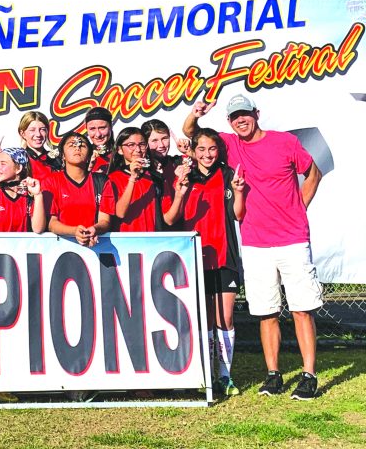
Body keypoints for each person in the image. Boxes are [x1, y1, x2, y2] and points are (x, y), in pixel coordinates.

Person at [183, 94, 324, 401]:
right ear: (229, 122)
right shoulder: (229, 145)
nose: (241, 120)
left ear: (256, 114)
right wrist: (195, 113)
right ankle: (273, 375)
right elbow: (191, 133)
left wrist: (301, 206)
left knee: (301, 310)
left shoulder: (283, 142)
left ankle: (309, 375)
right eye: (235, 117)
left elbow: (314, 172)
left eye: (245, 114)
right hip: (255, 242)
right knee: (266, 312)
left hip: (293, 239)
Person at [181, 128, 245, 396]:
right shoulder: (185, 176)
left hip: (224, 255)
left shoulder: (229, 175)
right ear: (193, 152)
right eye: (202, 149)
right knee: (204, 318)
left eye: (212, 149)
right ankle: (206, 373)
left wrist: (238, 192)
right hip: (195, 256)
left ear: (218, 151)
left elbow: (237, 215)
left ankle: (225, 375)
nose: (207, 154)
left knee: (225, 317)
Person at [107, 127, 188, 232]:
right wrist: (132, 178)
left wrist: (179, 195)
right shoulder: (112, 178)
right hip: (125, 244)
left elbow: (169, 220)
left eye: (142, 144)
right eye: (131, 145)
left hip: (153, 243)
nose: (138, 150)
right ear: (119, 150)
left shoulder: (156, 177)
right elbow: (120, 213)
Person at [43, 131, 113, 248]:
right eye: (71, 145)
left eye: (82, 145)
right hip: (61, 247)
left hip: (96, 246)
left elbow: (105, 221)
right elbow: (52, 224)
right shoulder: (51, 181)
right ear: (63, 156)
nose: (77, 148)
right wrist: (74, 231)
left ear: (90, 155)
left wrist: (94, 229)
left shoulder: (102, 181)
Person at [0, 147, 47, 234]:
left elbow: (38, 229)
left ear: (18, 168)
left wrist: (38, 195)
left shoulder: (30, 197)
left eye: (3, 164)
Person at [18, 111, 62, 181]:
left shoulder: (57, 159)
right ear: (23, 134)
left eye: (42, 130)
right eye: (32, 130)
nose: (38, 134)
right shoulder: (18, 160)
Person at [84, 106, 114, 173]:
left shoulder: (122, 153)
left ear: (111, 126)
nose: (98, 134)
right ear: (86, 129)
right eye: (92, 129)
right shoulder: (83, 155)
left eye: (102, 128)